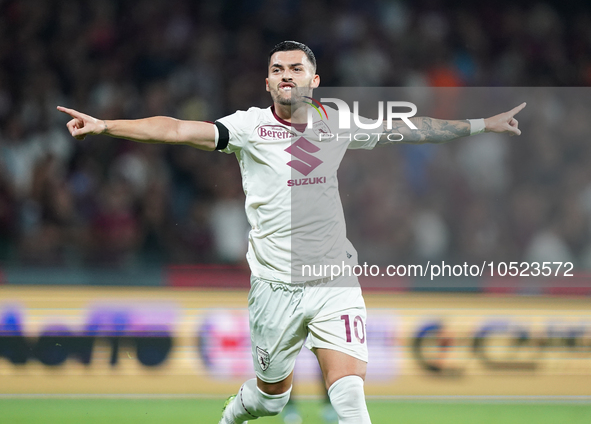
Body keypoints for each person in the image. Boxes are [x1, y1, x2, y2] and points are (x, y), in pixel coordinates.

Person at [58, 41, 525, 423]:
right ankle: (232, 415)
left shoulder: (337, 122)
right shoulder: (248, 127)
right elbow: (178, 129)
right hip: (274, 287)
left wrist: (482, 124)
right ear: (267, 82)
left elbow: (412, 128)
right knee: (270, 401)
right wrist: (105, 125)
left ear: (313, 80)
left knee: (350, 402)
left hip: (333, 279)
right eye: (277, 69)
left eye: (296, 68)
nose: (286, 75)